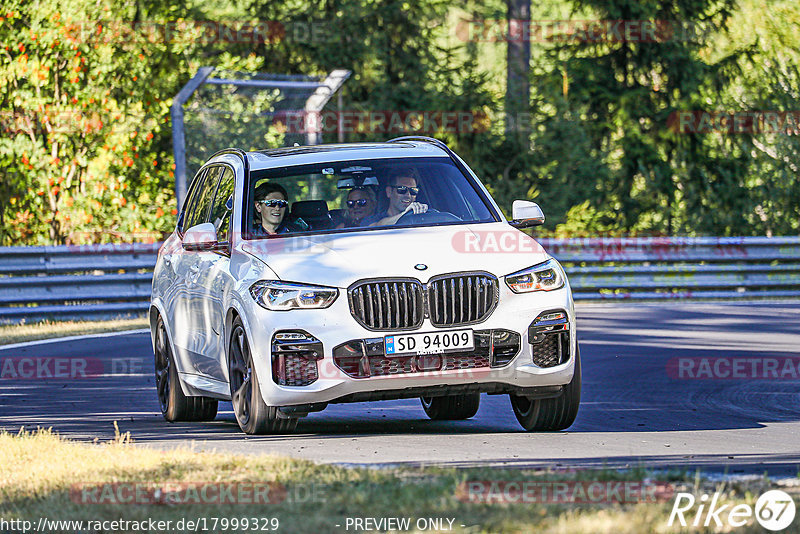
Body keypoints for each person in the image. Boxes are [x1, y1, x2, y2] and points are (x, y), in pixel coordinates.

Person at [362, 169, 428, 226]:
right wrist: (405, 214)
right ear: (389, 192)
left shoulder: (422, 218)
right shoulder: (370, 220)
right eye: (402, 189)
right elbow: (376, 226)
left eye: (413, 190)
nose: (408, 195)